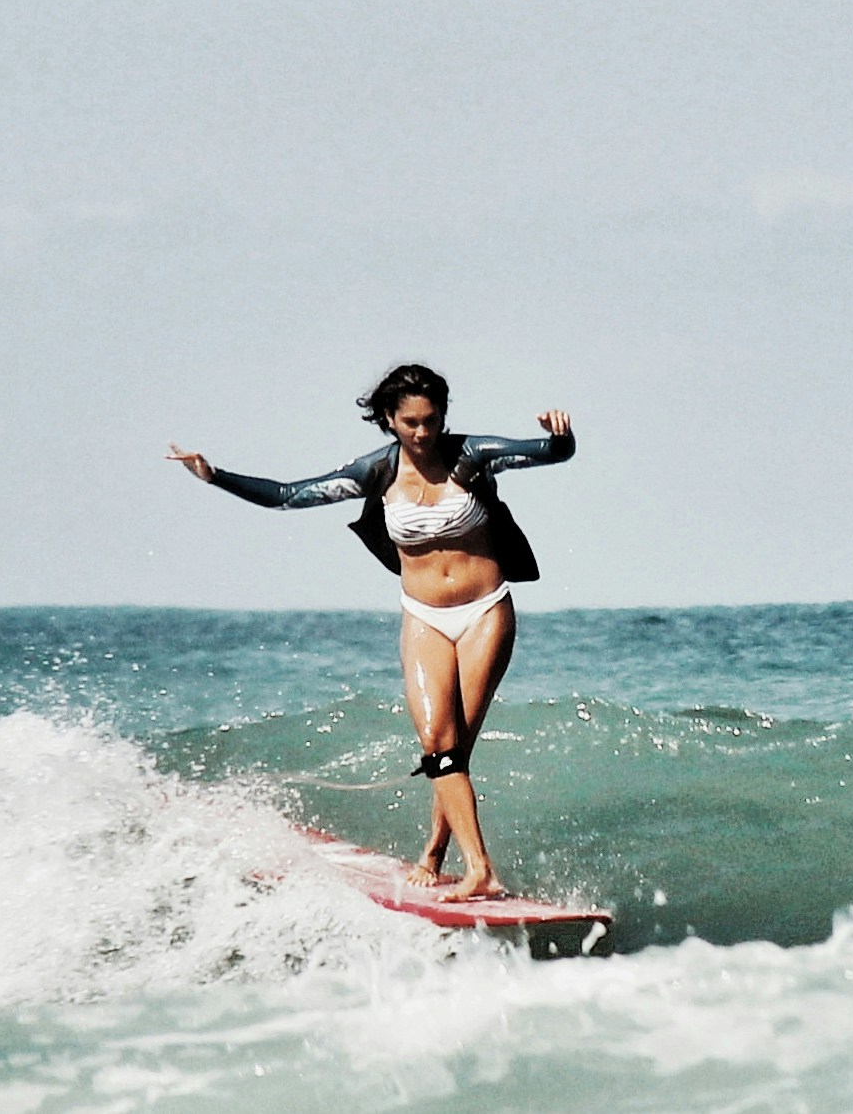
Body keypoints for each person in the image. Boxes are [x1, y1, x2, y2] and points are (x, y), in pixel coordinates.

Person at [169, 365, 576, 899]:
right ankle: (468, 864)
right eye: (410, 422)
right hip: (423, 615)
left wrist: (560, 436)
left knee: (456, 747)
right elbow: (288, 494)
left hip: (484, 611)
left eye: (432, 420)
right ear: (389, 419)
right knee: (439, 744)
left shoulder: (471, 456)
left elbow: (550, 453)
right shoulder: (375, 472)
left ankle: (456, 862)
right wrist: (215, 475)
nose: (423, 432)